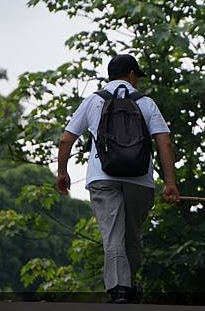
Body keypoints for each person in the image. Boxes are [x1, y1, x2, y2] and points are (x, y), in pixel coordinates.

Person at [56, 54, 180, 303]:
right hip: (140, 181)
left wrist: (63, 172)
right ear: (132, 75)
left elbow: (65, 139)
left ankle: (119, 288)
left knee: (112, 234)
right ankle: (130, 284)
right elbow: (164, 141)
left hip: (103, 178)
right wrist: (170, 183)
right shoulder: (146, 103)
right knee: (131, 235)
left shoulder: (93, 101)